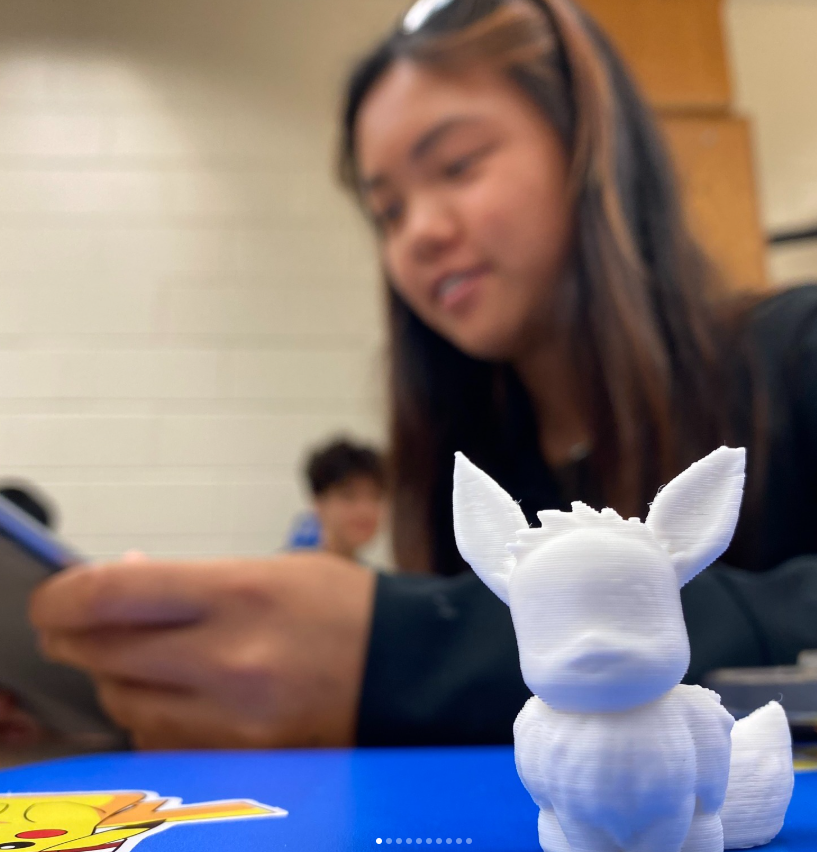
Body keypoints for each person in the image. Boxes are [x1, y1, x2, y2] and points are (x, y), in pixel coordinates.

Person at [28, 0, 817, 750]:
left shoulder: (792, 351)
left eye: (457, 165)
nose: (420, 235)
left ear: (587, 144)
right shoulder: (475, 468)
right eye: (387, 211)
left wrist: (413, 653)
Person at [285, 438, 387, 562]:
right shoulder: (289, 574)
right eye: (349, 496)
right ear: (319, 502)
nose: (365, 509)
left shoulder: (369, 576)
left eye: (376, 497)